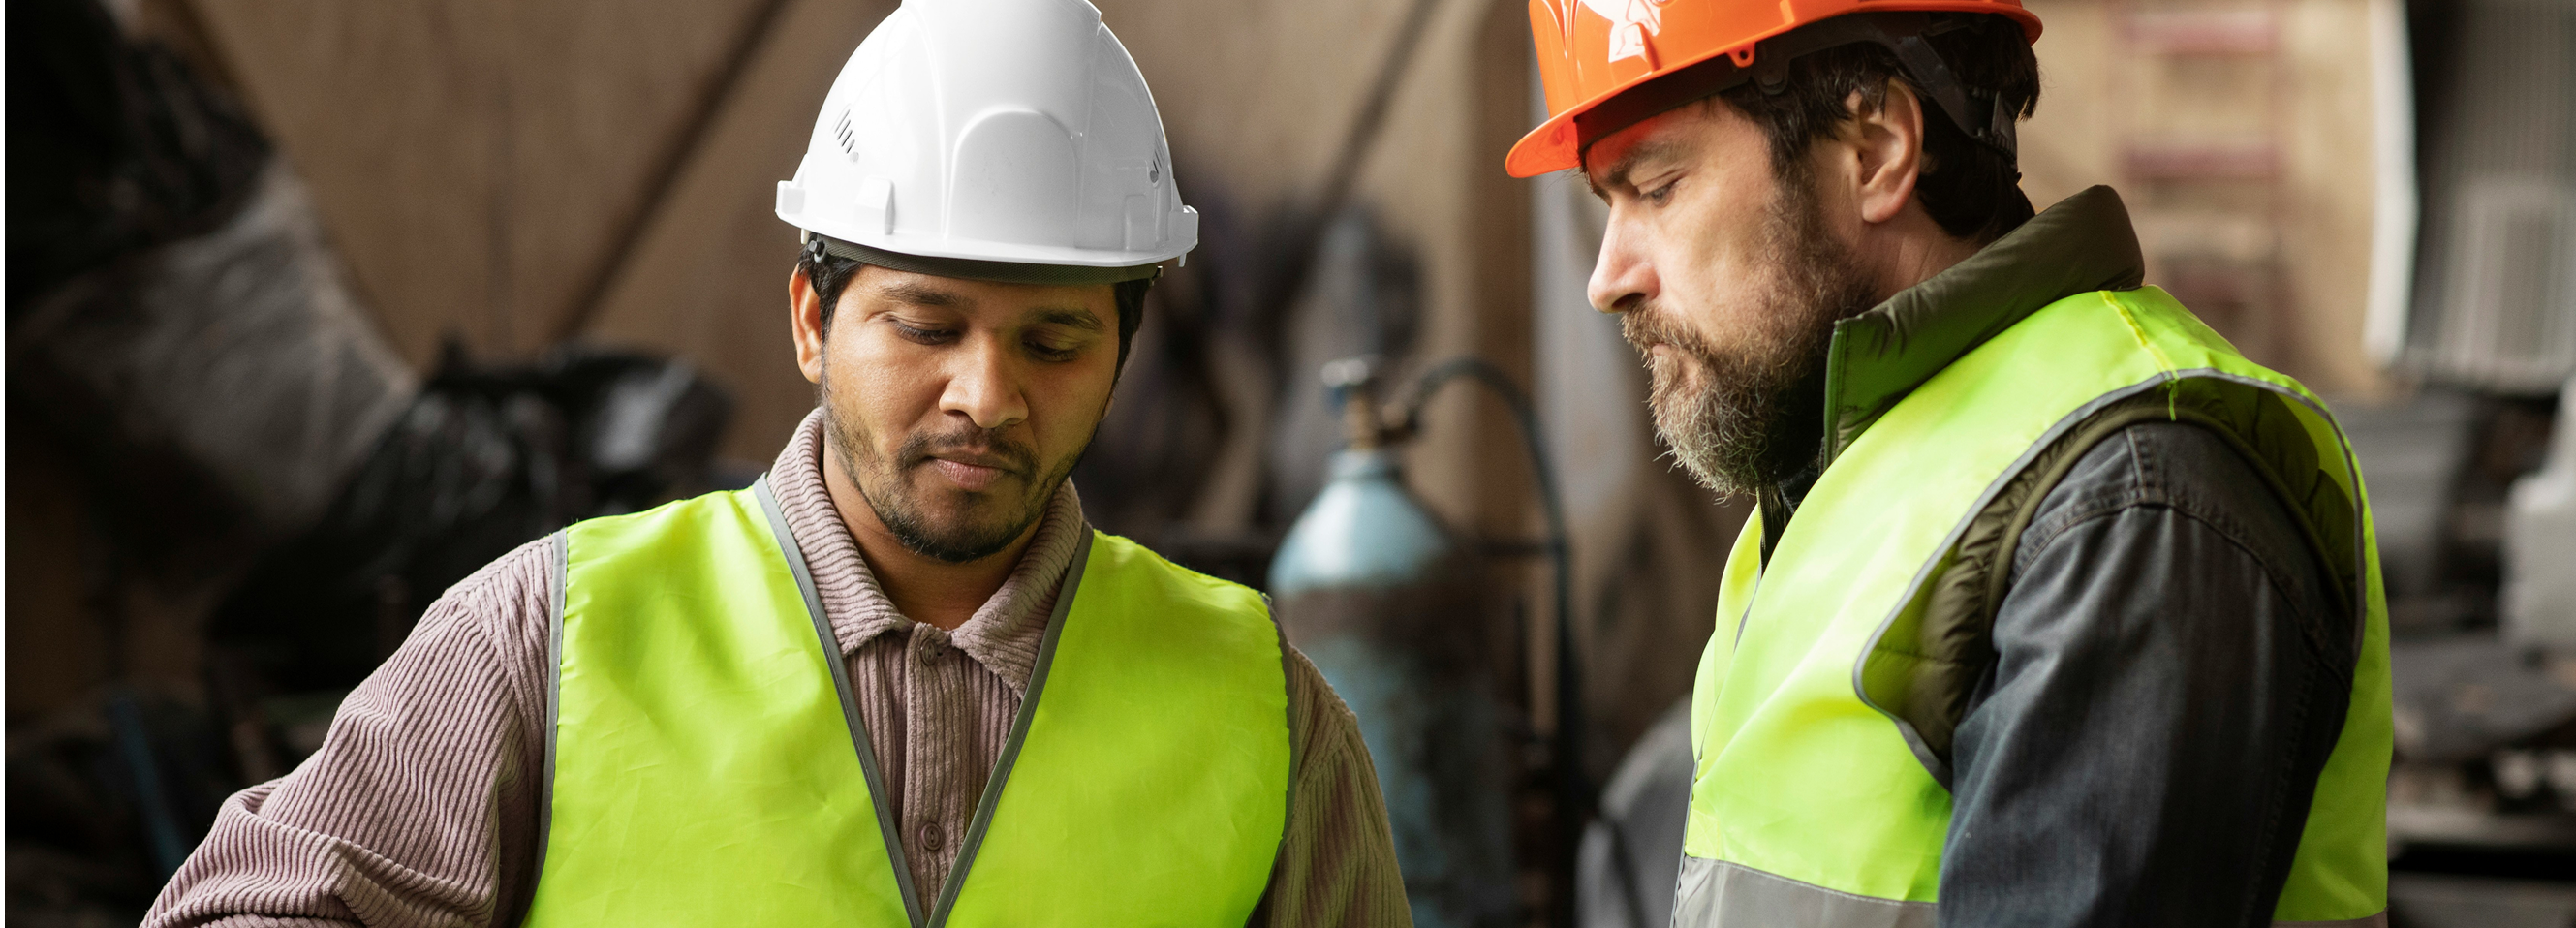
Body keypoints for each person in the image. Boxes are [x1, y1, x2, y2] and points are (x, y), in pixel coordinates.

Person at [145, 1, 1410, 924]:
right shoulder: (547, 640)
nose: (985, 393)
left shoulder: (1264, 716)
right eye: (924, 325)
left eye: (1055, 340)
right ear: (810, 320)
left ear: (1120, 351)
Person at [1511, 1, 2391, 925]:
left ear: (1876, 147)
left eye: (1656, 188)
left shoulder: (2128, 493)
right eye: (1605, 205)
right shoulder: (1855, 460)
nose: (1606, 279)